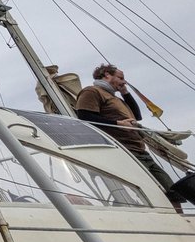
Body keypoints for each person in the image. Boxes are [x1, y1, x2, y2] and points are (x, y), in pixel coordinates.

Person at [75, 64, 183, 206]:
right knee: (153, 191)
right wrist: (119, 123)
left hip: (140, 150)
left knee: (172, 191)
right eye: (121, 78)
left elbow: (137, 116)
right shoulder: (92, 91)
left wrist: (125, 92)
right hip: (125, 150)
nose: (124, 81)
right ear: (107, 75)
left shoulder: (116, 99)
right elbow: (84, 117)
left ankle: (181, 222)